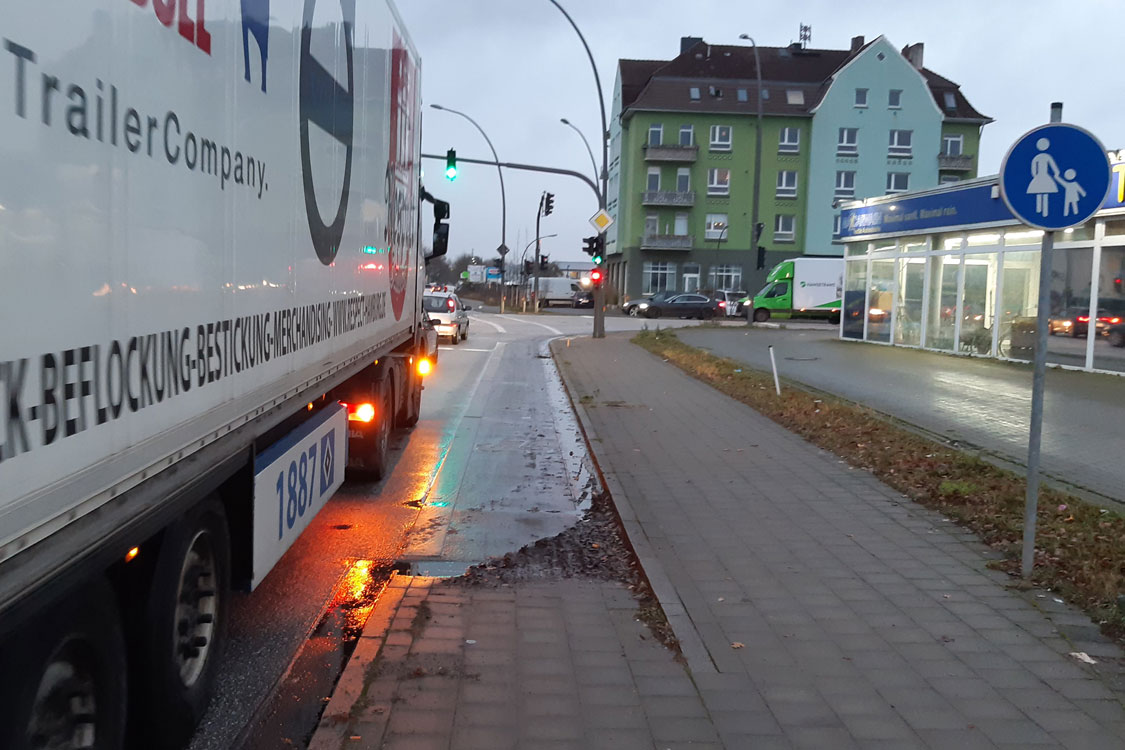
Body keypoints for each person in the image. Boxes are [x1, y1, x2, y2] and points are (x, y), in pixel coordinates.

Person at [1027, 137, 1061, 218]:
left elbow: (1033, 168)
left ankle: (1041, 210)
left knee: (1041, 192)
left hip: (1040, 176)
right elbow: (1053, 166)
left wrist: (1035, 175)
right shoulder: (1045, 157)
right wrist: (1056, 172)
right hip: (1043, 176)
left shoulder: (1039, 157)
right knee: (1043, 192)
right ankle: (1042, 211)